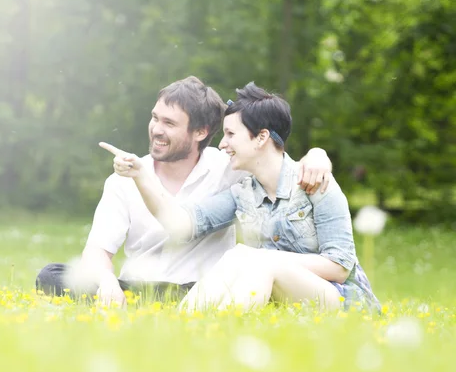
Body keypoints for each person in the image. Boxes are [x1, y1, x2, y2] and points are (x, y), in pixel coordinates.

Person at [36, 76, 332, 305]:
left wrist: (317, 155)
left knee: (248, 286)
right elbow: (98, 251)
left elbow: (274, 161)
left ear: (200, 132)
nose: (156, 129)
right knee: (51, 276)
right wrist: (107, 283)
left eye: (169, 123)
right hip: (136, 287)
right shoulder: (123, 178)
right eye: (155, 118)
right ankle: (132, 303)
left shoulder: (228, 167)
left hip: (200, 287)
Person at [102, 82, 379, 311]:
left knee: (255, 257)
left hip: (343, 299)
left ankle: (220, 327)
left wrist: (267, 259)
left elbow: (340, 267)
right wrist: (140, 175)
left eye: (231, 134)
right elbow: (181, 225)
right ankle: (183, 324)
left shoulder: (316, 183)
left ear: (261, 138)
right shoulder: (242, 192)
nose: (222, 144)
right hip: (282, 291)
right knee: (240, 256)